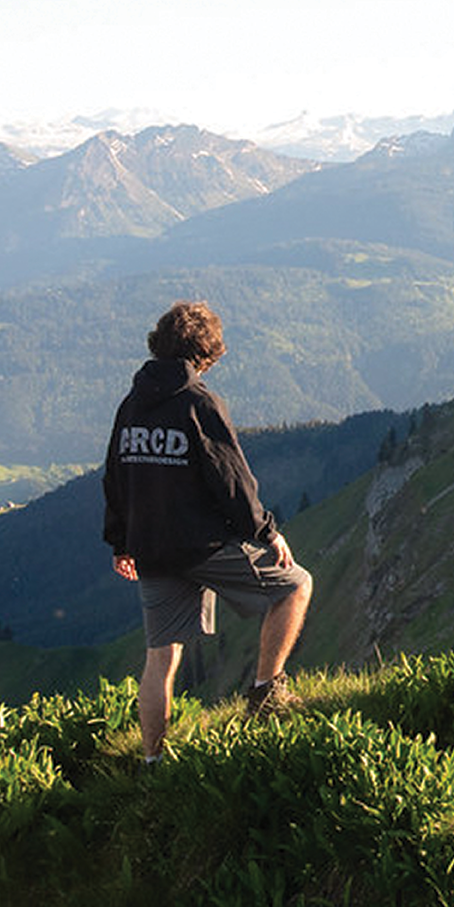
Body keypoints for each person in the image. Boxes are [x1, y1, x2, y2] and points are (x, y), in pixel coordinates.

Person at [103, 300, 312, 762]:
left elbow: (114, 477)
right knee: (296, 586)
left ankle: (152, 761)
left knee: (161, 658)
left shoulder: (131, 405)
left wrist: (121, 542)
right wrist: (267, 532)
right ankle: (265, 694)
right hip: (202, 546)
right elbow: (231, 479)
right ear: (206, 353)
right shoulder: (200, 403)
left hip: (151, 549)